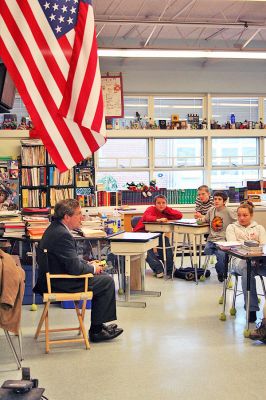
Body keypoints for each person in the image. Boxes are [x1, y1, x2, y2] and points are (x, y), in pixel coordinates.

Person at [33, 199, 123, 343]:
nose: (82, 217)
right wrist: (93, 268)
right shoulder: (63, 235)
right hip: (61, 283)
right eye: (79, 214)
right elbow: (74, 268)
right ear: (67, 217)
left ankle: (99, 326)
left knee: (102, 278)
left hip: (53, 279)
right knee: (106, 281)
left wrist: (88, 263)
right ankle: (96, 330)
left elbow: (68, 260)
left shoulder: (55, 228)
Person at [226, 201, 266, 323]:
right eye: (239, 215)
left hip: (258, 261)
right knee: (246, 268)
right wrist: (250, 244)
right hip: (239, 261)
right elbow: (234, 246)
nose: (241, 218)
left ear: (251, 215)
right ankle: (251, 309)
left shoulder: (259, 228)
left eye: (245, 215)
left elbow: (263, 245)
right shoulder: (231, 227)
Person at [133, 194, 183, 277]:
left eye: (163, 203)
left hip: (156, 233)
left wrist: (166, 209)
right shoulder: (151, 209)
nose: (161, 205)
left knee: (165, 241)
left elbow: (179, 215)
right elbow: (146, 217)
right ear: (155, 204)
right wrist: (157, 219)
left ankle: (170, 270)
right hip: (141, 234)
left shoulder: (166, 211)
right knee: (147, 249)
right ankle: (158, 269)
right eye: (158, 203)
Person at [199, 191, 236, 282]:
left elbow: (237, 221)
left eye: (219, 199)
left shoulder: (228, 211)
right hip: (212, 239)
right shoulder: (211, 210)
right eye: (215, 199)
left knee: (221, 255)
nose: (216, 201)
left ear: (224, 201)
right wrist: (200, 220)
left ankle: (220, 271)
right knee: (207, 250)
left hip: (223, 240)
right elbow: (205, 219)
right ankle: (221, 258)